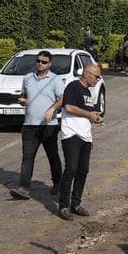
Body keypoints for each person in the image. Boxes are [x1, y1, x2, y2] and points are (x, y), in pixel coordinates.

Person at [10, 50, 64, 200]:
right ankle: (24, 188)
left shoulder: (56, 79)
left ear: (50, 64)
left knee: (52, 156)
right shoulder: (27, 78)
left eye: (44, 62)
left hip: (49, 126)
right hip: (29, 125)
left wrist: (52, 109)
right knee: (27, 157)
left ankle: (58, 184)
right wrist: (22, 100)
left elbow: (61, 99)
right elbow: (23, 96)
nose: (40, 64)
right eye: (38, 61)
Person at [56, 63, 104, 220]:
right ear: (87, 74)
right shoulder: (73, 86)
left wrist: (94, 116)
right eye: (97, 76)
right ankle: (63, 206)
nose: (98, 79)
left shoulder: (88, 91)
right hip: (71, 135)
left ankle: (75, 203)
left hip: (85, 135)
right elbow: (68, 107)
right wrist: (88, 114)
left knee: (83, 171)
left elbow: (86, 112)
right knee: (71, 169)